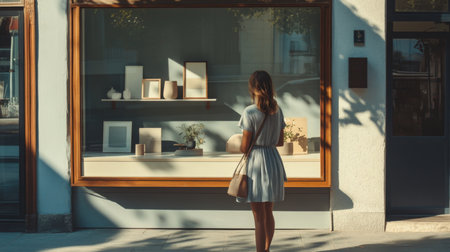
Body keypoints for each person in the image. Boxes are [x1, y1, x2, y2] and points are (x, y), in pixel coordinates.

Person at [238, 70, 287, 252]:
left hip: (257, 163)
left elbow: (244, 147)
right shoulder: (277, 109)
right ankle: (266, 249)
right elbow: (280, 142)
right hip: (273, 161)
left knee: (258, 216)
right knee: (268, 212)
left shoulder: (249, 111)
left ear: (252, 87)